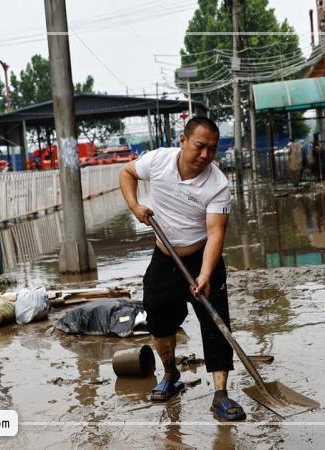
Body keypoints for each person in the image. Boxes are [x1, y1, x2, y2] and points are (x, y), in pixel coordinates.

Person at [119, 117, 246, 421]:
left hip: (202, 257)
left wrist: (204, 274)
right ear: (183, 141)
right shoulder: (158, 161)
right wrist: (135, 206)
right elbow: (126, 173)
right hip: (164, 258)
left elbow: (216, 233)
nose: (205, 155)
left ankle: (220, 395)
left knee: (216, 324)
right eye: (200, 146)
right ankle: (170, 374)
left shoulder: (218, 184)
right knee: (159, 321)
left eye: (212, 150)